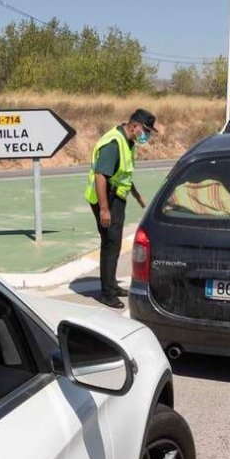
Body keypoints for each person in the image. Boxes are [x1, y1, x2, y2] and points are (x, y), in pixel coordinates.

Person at [84, 108, 157, 309]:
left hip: (116, 196)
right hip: (105, 198)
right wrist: (104, 209)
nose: (147, 135)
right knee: (110, 243)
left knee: (114, 244)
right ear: (135, 126)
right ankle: (107, 293)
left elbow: (122, 174)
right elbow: (101, 176)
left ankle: (112, 285)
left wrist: (136, 194)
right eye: (146, 130)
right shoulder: (114, 144)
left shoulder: (128, 141)